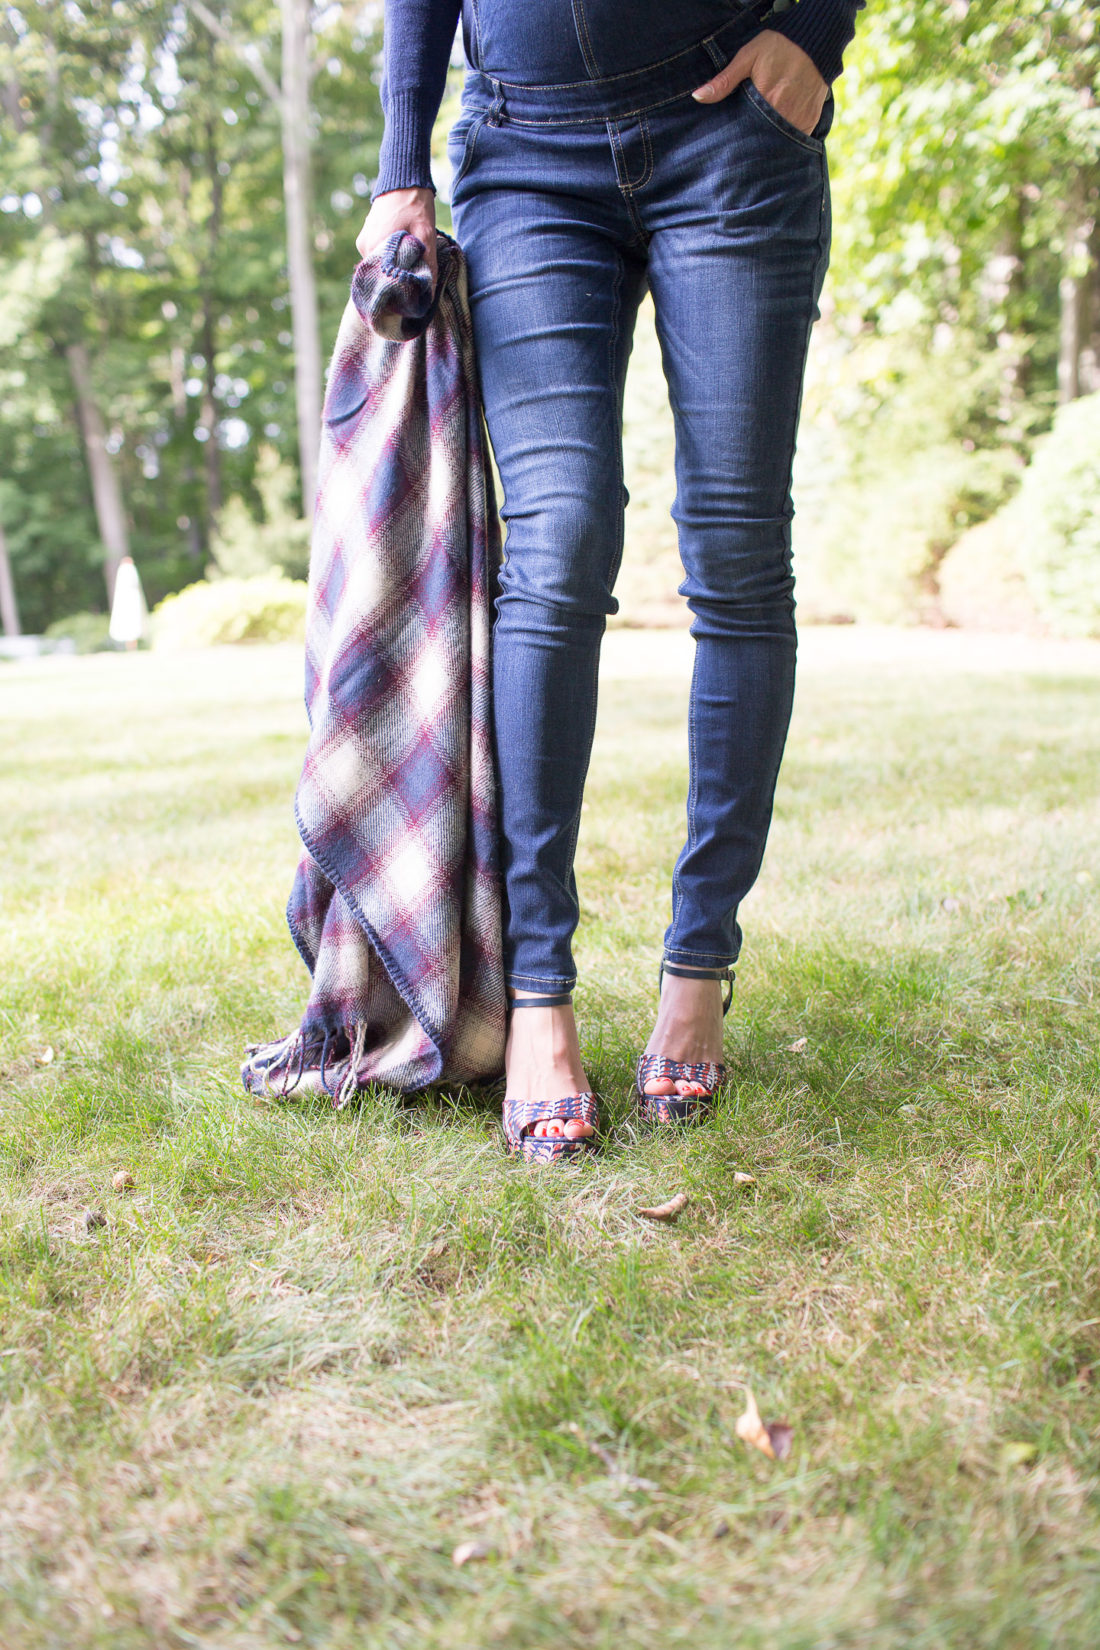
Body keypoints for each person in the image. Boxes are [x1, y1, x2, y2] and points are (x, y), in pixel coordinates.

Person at [357, 0, 862, 1163]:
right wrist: (400, 159)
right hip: (524, 156)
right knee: (559, 537)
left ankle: (697, 967)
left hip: (726, 121)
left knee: (734, 546)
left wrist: (816, 31)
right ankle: (540, 995)